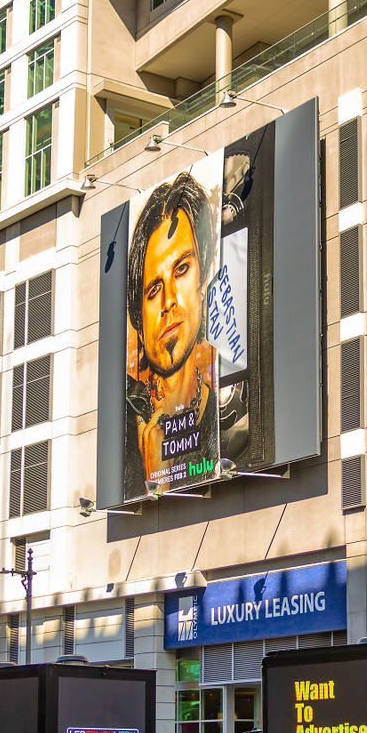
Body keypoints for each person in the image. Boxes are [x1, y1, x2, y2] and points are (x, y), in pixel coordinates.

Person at [124, 172, 218, 497]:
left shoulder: (227, 421)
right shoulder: (122, 425)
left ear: (203, 278)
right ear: (138, 315)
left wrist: (160, 485)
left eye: (181, 270)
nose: (169, 302)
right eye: (153, 290)